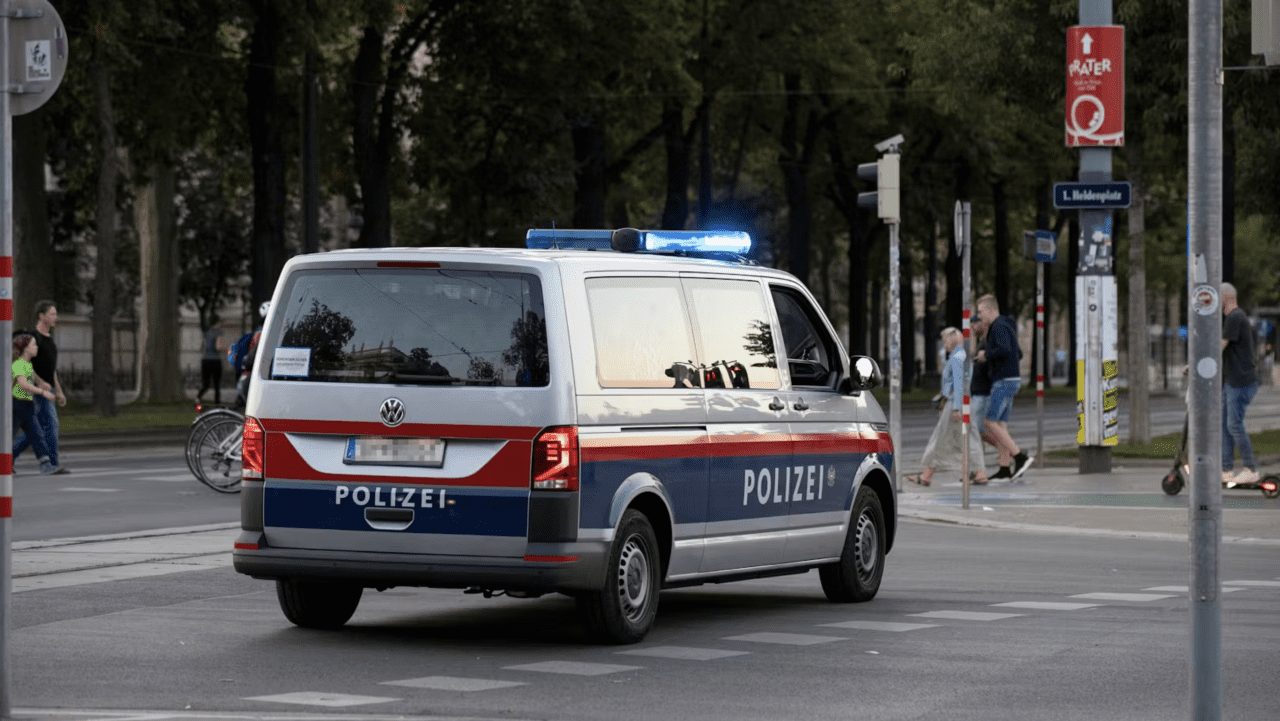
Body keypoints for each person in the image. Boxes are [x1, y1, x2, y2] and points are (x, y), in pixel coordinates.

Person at [904, 327, 987, 486]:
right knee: (969, 437)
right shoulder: (962, 355)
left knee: (941, 438)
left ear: (952, 339)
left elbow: (958, 385)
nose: (944, 344)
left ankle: (927, 475)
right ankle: (978, 472)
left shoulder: (956, 357)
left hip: (956, 403)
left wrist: (956, 408)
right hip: (964, 402)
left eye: (945, 340)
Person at [975, 294, 1033, 479]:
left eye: (980, 312)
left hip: (1003, 381)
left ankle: (1020, 457)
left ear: (990, 309)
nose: (979, 316)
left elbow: (1005, 349)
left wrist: (986, 355)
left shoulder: (998, 326)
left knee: (989, 422)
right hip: (1011, 379)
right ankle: (1004, 467)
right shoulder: (1006, 326)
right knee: (1000, 424)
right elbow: (1018, 353)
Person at [13, 301, 69, 474]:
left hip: (47, 390)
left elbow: (51, 370)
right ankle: (52, 464)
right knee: (51, 425)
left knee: (36, 430)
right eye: (52, 314)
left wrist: (58, 390)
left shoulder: (50, 341)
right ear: (41, 316)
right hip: (36, 392)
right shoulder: (33, 339)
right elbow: (25, 365)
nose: (55, 317)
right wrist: (39, 383)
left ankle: (10, 457)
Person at [1221, 282, 1260, 486]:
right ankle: (1226, 470)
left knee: (1233, 424)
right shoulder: (1237, 317)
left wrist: (1196, 363)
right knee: (1225, 424)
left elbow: (1221, 345)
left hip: (1240, 381)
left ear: (1225, 297)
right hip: (1233, 381)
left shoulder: (1235, 317)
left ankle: (1250, 469)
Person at [12, 335, 57, 475]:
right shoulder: (18, 364)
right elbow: (23, 384)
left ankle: (46, 464)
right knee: (8, 436)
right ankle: (5, 463)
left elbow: (34, 377)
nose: (36, 347)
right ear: (26, 349)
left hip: (28, 405)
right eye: (33, 345)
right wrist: (43, 392)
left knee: (37, 435)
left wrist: (42, 383)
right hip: (17, 406)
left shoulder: (28, 364)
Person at [198, 323, 226, 404]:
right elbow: (218, 347)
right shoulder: (218, 332)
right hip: (215, 360)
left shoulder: (206, 332)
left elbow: (200, 347)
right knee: (217, 384)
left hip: (205, 360)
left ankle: (198, 397)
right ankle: (217, 401)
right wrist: (226, 349)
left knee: (206, 384)